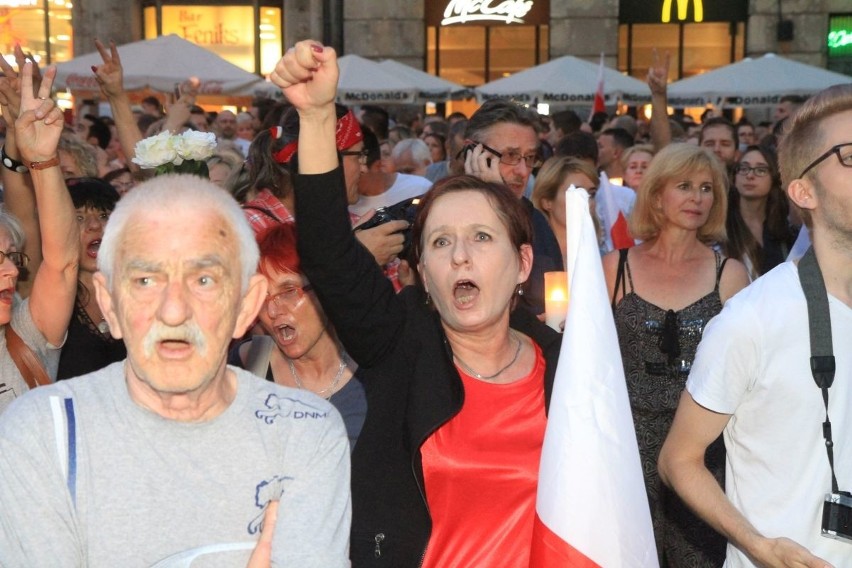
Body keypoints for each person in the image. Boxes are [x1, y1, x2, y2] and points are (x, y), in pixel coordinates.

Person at [271, 40, 562, 567]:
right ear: (423, 273)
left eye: (481, 238)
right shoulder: (401, 343)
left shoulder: (563, 366)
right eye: (442, 243)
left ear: (522, 264)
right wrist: (316, 117)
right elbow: (329, 252)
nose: (461, 258)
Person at [0, 171, 351, 565]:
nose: (174, 310)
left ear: (246, 307)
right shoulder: (43, 432)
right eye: (146, 280)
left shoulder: (305, 432)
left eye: (203, 280)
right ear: (110, 304)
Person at [658, 83, 852, 568]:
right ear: (803, 190)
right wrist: (758, 546)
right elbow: (678, 460)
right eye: (850, 156)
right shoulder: (752, 320)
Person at [603, 143, 749, 566]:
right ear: (656, 196)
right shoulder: (615, 267)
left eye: (706, 189)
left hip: (703, 452)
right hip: (625, 451)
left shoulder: (731, 273)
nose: (697, 198)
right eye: (684, 186)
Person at [230, 223, 367, 449]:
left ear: (324, 289)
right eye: (263, 297)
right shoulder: (248, 365)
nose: (272, 311)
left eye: (288, 291)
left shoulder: (374, 367)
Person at [0, 59, 79, 413]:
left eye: (12, 257)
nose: (13, 272)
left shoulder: (24, 334)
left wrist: (43, 161)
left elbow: (61, 263)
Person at [463, 98, 563, 315]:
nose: (523, 171)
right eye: (510, 155)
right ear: (473, 152)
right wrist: (496, 203)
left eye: (529, 158)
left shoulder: (535, 221)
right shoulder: (437, 218)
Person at [56, 177, 126, 380]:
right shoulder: (47, 297)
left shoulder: (142, 293)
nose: (94, 225)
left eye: (104, 215)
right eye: (79, 218)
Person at [725, 144, 796, 280]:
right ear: (735, 177)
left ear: (774, 177)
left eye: (760, 170)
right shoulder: (721, 225)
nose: (750, 175)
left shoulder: (785, 230)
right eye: (744, 168)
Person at [532, 156, 603, 261]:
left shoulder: (603, 260)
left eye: (591, 194)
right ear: (547, 201)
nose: (587, 202)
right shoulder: (529, 260)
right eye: (577, 193)